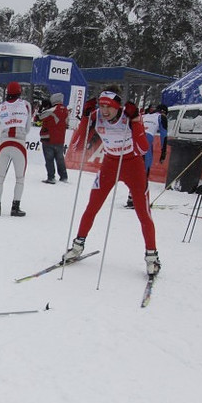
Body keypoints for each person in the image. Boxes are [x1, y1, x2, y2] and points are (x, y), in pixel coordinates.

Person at [63, 87, 160, 275]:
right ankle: (77, 245)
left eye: (109, 107)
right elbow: (75, 145)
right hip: (110, 164)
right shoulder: (97, 116)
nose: (105, 111)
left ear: (118, 107)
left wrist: (136, 121)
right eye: (102, 105)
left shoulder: (128, 116)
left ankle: (152, 256)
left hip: (133, 165)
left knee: (143, 212)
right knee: (92, 206)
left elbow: (143, 148)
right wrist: (85, 118)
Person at [0, 81, 33, 216]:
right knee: (20, 178)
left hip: (4, 143)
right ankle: (15, 207)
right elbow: (28, 128)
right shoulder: (26, 105)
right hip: (19, 144)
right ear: (20, 92)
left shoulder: (0, 107)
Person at [126, 103, 169, 208]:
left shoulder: (144, 115)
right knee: (144, 170)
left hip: (133, 139)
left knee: (135, 170)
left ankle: (131, 198)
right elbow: (164, 136)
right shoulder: (162, 117)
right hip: (146, 140)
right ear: (164, 112)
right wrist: (163, 153)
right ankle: (138, 200)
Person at [39, 92, 69, 184]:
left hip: (48, 138)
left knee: (49, 159)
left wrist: (43, 108)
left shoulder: (52, 110)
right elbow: (67, 123)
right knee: (60, 159)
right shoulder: (66, 111)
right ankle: (64, 176)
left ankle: (51, 177)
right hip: (60, 139)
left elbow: (40, 116)